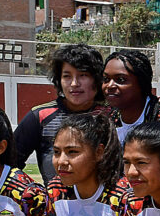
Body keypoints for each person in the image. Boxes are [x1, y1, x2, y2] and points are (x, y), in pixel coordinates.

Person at [14, 44, 111, 184]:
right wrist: (33, 195)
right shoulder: (40, 116)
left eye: (83, 75)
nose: (74, 83)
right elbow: (9, 164)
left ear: (97, 79)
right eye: (67, 76)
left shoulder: (111, 117)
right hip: (55, 205)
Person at [103, 50, 160, 143]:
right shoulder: (108, 121)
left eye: (121, 79)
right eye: (106, 79)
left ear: (142, 83)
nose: (110, 85)